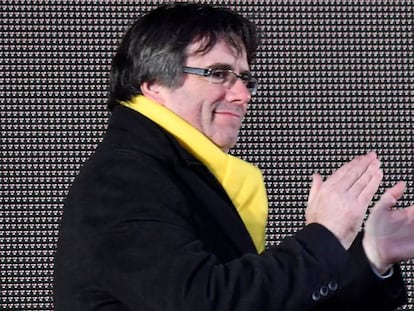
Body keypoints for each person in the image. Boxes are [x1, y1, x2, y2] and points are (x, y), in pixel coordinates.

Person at [53, 3, 414, 310]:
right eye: (218, 74)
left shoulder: (177, 171)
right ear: (153, 83)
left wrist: (372, 255)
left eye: (244, 78)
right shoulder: (123, 177)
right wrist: (325, 236)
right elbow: (207, 303)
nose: (243, 95)